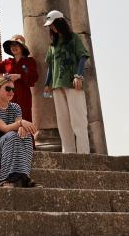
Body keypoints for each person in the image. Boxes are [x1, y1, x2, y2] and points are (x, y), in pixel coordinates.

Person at [42, 10, 90, 154]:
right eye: (50, 26)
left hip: (73, 83)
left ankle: (83, 154)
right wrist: (47, 84)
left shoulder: (73, 38)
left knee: (78, 119)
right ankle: (68, 154)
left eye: (53, 25)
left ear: (60, 23)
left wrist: (78, 76)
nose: (51, 28)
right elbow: (51, 65)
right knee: (63, 122)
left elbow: (83, 56)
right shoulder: (52, 45)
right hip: (57, 86)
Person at [0, 74, 39, 188]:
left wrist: (23, 128)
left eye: (13, 89)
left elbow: (19, 128)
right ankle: (5, 180)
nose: (11, 92)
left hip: (10, 151)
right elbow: (5, 128)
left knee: (25, 136)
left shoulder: (15, 107)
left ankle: (24, 177)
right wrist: (21, 123)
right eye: (7, 88)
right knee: (12, 135)